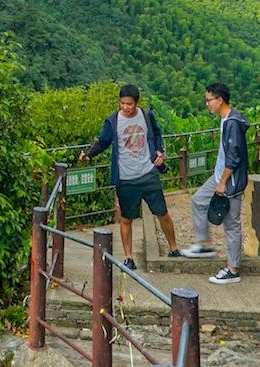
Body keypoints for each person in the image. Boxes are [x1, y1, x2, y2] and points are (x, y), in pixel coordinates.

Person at [79, 84, 185, 269]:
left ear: (137, 103)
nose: (125, 107)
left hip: (148, 172)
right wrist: (89, 155)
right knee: (126, 219)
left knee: (162, 213)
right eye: (122, 103)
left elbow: (157, 134)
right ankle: (129, 257)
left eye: (129, 104)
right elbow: (103, 142)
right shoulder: (113, 121)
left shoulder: (146, 116)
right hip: (125, 177)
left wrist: (160, 151)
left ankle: (173, 248)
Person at [181, 82, 248, 284]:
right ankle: (205, 244)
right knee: (198, 200)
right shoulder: (226, 119)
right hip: (219, 176)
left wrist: (223, 182)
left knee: (231, 224)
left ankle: (233, 270)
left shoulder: (232, 123)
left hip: (230, 180)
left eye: (209, 100)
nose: (207, 104)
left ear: (220, 99)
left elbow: (234, 158)